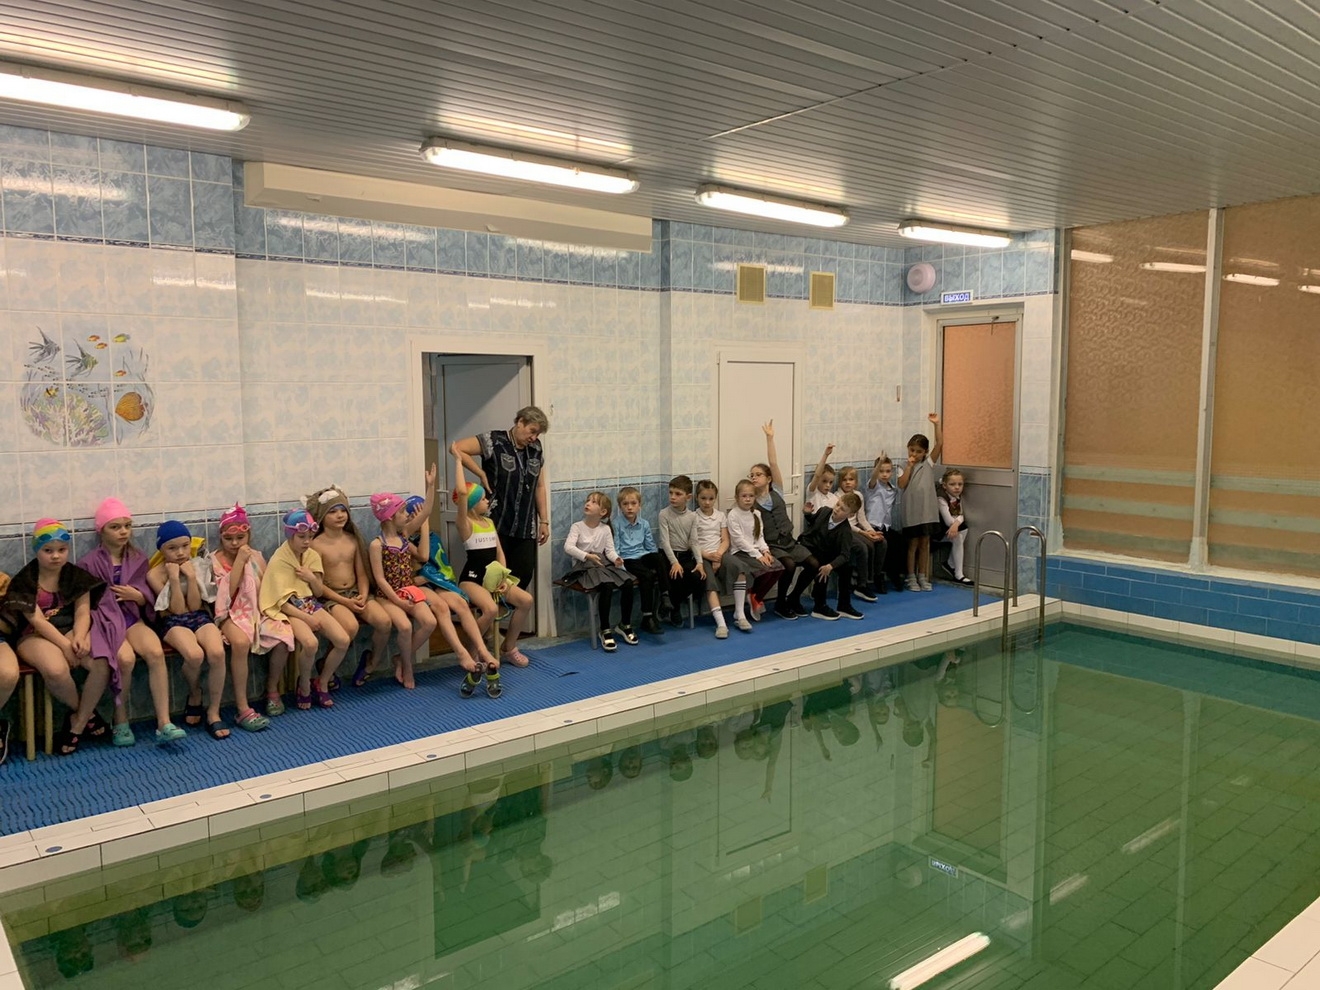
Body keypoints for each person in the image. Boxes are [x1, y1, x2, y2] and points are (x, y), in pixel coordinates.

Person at [80, 497, 185, 745]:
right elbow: (85, 603)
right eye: (115, 527)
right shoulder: (88, 563)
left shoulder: (138, 558)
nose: (123, 532)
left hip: (131, 618)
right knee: (125, 659)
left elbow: (146, 592)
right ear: (101, 530)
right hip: (106, 623)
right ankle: (120, 719)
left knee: (155, 652)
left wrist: (139, 596)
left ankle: (164, 722)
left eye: (127, 526)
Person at [1, 520, 109, 756]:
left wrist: (80, 636)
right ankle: (87, 714)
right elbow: (38, 621)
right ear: (36, 550)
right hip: (34, 636)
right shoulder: (26, 580)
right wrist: (65, 646)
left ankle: (77, 723)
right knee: (57, 670)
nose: (56, 556)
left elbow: (83, 612)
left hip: (70, 629)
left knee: (102, 663)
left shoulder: (76, 576)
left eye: (62, 550)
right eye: (48, 550)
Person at [452, 442, 535, 681]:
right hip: (472, 580)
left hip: (493, 578)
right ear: (472, 504)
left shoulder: (489, 523)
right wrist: (458, 461)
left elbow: (499, 554)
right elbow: (462, 494)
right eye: (483, 499)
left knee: (526, 600)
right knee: (489, 609)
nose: (488, 501)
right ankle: (474, 649)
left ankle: (509, 646)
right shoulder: (465, 524)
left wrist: (503, 577)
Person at [205, 503, 290, 726]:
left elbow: (266, 587)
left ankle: (271, 689)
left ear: (248, 535)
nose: (235, 543)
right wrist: (240, 562)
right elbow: (225, 596)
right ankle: (242, 707)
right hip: (228, 615)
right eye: (228, 539)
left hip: (255, 610)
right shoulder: (213, 561)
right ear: (221, 537)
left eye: (240, 538)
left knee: (283, 635)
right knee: (241, 643)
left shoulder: (257, 557)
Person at [259, 508, 350, 710]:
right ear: (290, 535)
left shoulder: (312, 556)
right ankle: (304, 686)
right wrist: (306, 619)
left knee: (343, 640)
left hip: (309, 603)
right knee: (310, 643)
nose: (307, 541)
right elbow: (280, 602)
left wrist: (311, 578)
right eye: (302, 537)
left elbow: (317, 592)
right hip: (290, 609)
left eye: (310, 536)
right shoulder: (279, 560)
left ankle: (322, 682)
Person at [305, 485, 394, 688]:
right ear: (321, 517)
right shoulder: (316, 545)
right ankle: (326, 669)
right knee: (350, 627)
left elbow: (362, 574)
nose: (339, 515)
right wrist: (345, 602)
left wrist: (363, 594)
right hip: (332, 597)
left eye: (343, 510)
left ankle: (371, 662)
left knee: (384, 622)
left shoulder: (353, 540)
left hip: (355, 592)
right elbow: (319, 585)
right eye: (333, 512)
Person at [453, 406, 550, 591]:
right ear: (520, 422)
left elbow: (539, 486)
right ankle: (489, 609)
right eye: (532, 431)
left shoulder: (536, 448)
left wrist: (544, 521)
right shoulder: (494, 440)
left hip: (525, 527)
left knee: (522, 577)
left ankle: (508, 608)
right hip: (496, 523)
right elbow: (457, 448)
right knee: (492, 577)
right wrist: (480, 473)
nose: (534, 438)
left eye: (538, 434)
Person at [147, 521, 229, 740]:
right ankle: (195, 692)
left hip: (198, 615)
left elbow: (194, 605)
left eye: (185, 546)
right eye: (172, 548)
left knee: (217, 653)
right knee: (194, 655)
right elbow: (177, 609)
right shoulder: (154, 575)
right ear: (161, 550)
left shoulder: (198, 566)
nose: (181, 553)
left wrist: (191, 577)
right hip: (171, 621)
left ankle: (213, 712)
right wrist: (174, 578)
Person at [406, 494, 500, 683]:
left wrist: (424, 526)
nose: (420, 520)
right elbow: (422, 559)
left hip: (434, 581)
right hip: (417, 583)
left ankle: (481, 649)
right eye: (417, 516)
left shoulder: (432, 537)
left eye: (423, 516)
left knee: (461, 605)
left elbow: (440, 567)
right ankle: (461, 653)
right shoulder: (403, 541)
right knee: (441, 608)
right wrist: (424, 525)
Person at [368, 492, 440, 691]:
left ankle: (401, 658)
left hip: (408, 589)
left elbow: (425, 513)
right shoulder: (377, 545)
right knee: (405, 627)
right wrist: (397, 601)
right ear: (390, 517)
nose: (407, 514)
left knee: (430, 622)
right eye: (402, 512)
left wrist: (430, 486)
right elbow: (380, 579)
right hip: (387, 596)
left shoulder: (404, 537)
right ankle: (408, 666)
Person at [751, 420, 820, 619]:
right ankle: (780, 603)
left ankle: (794, 598)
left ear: (768, 478)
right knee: (788, 565)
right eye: (752, 475)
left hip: (789, 541)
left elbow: (773, 463)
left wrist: (770, 438)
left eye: (758, 474)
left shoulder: (778, 491)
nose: (754, 477)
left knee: (813, 564)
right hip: (772, 545)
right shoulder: (751, 501)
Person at [561, 491, 636, 652]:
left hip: (602, 564)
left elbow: (609, 551)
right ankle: (605, 629)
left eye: (594, 502)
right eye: (588, 500)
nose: (588, 503)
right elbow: (568, 547)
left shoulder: (605, 529)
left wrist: (616, 559)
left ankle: (625, 624)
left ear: (603, 512)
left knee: (628, 582)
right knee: (606, 585)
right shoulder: (577, 527)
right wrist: (587, 556)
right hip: (584, 567)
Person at [726, 480, 784, 632]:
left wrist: (766, 551)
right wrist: (758, 555)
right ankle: (753, 596)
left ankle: (756, 596)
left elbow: (759, 536)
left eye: (751, 496)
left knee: (778, 568)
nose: (747, 499)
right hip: (741, 552)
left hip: (756, 551)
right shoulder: (733, 515)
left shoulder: (756, 514)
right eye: (744, 496)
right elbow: (739, 541)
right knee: (765, 570)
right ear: (737, 497)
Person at [798, 493, 864, 620]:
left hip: (825, 550)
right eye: (838, 505)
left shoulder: (845, 531)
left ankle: (844, 605)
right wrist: (807, 514)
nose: (837, 509)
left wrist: (831, 566)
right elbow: (813, 521)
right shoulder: (824, 511)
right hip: (810, 545)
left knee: (845, 567)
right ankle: (819, 605)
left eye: (842, 509)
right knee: (822, 565)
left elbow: (845, 555)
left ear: (850, 515)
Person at [897, 413, 944, 592]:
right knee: (913, 544)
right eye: (912, 450)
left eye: (918, 451)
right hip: (912, 511)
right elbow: (902, 484)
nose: (914, 454)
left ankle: (922, 575)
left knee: (925, 543)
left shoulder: (928, 463)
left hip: (927, 511)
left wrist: (936, 425)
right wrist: (909, 467)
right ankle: (911, 576)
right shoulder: (902, 466)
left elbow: (940, 443)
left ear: (925, 452)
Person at [614, 486, 667, 636]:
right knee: (647, 576)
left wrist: (655, 561)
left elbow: (650, 546)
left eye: (633, 503)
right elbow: (616, 549)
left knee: (659, 557)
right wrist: (619, 565)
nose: (629, 507)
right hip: (627, 559)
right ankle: (647, 617)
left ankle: (665, 595)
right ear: (620, 507)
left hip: (642, 556)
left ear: (639, 505)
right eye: (625, 504)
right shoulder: (616, 524)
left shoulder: (644, 524)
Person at [656, 475, 704, 627]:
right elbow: (665, 541)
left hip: (684, 555)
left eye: (678, 494)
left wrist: (700, 562)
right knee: (676, 575)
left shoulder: (692, 516)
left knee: (698, 577)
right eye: (671, 493)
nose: (673, 497)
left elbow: (694, 541)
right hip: (667, 555)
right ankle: (675, 609)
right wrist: (674, 562)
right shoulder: (664, 514)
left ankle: (670, 603)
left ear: (688, 497)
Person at [837, 466, 886, 600]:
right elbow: (844, 522)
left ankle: (876, 576)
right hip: (846, 529)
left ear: (856, 482)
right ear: (840, 482)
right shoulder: (838, 497)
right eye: (844, 480)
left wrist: (871, 531)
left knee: (881, 542)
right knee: (865, 546)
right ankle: (862, 584)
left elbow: (862, 518)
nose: (848, 482)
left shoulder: (858, 495)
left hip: (858, 527)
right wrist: (864, 534)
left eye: (851, 479)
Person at [693, 480, 730, 638]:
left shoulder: (720, 516)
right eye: (703, 498)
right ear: (696, 498)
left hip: (719, 553)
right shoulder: (694, 517)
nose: (707, 502)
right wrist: (708, 556)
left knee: (738, 567)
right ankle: (721, 623)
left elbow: (725, 540)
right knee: (709, 581)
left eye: (711, 499)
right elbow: (692, 543)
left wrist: (718, 556)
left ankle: (740, 614)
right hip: (703, 556)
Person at [866, 453, 905, 592]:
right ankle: (878, 576)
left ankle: (895, 574)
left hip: (885, 526)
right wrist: (880, 463)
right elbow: (873, 478)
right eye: (881, 471)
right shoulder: (873, 486)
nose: (884, 474)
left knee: (899, 542)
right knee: (883, 544)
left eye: (887, 471)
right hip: (872, 526)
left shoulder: (893, 489)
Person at [938, 469, 974, 585]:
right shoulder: (941, 498)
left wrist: (956, 523)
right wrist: (955, 523)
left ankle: (950, 564)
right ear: (945, 485)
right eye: (952, 484)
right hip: (938, 531)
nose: (957, 487)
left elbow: (962, 515)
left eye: (960, 484)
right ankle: (958, 574)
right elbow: (948, 521)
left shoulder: (957, 497)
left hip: (950, 528)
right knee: (958, 536)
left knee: (964, 528)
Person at [802, 444, 839, 516]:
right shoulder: (813, 494)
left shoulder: (834, 498)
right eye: (824, 481)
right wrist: (826, 455)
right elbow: (817, 475)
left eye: (831, 482)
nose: (828, 485)